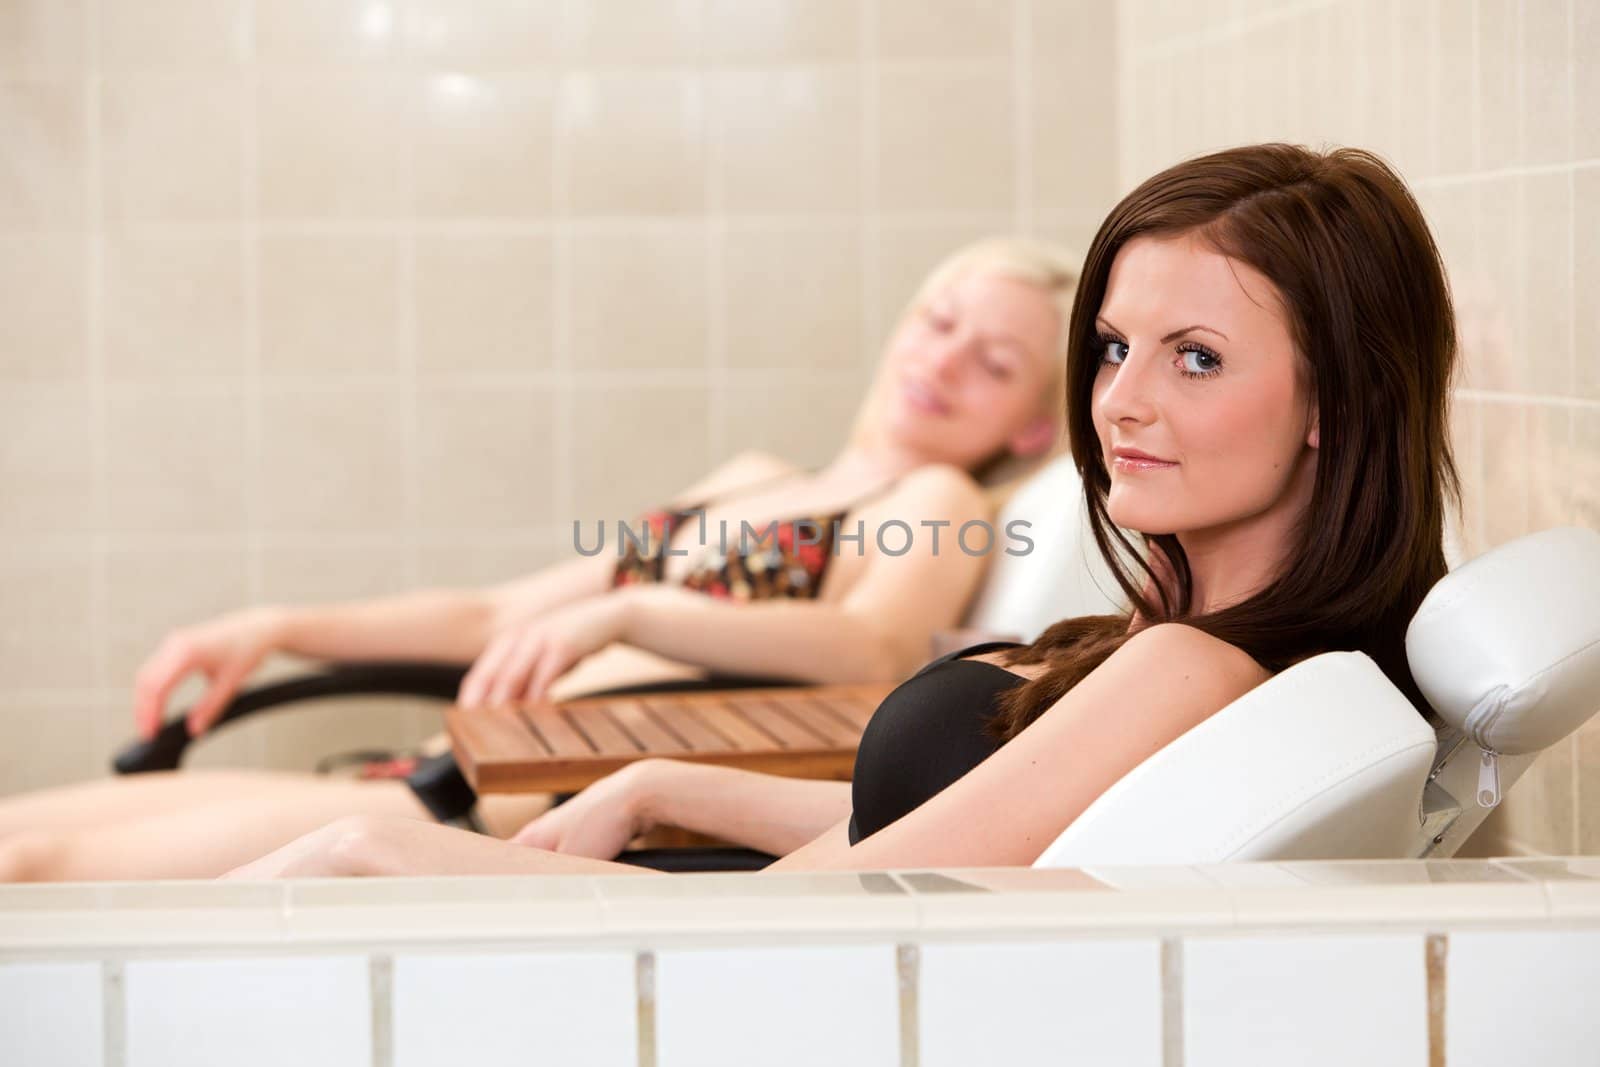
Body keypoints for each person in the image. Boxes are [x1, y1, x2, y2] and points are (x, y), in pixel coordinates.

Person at [221, 141, 1461, 880]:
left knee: (341, 855)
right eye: (1112, 348)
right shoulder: (1199, 634)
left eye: (1195, 357)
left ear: (1332, 399)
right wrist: (664, 784)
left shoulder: (1198, 666)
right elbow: (943, 836)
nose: (1120, 403)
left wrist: (408, 863)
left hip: (766, 960)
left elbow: (856, 905)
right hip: (767, 917)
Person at [0, 238, 1079, 881]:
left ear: (1028, 429)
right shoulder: (757, 477)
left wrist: (630, 613)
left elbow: (872, 641)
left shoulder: (936, 500)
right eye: (937, 321)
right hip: (422, 768)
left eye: (990, 363)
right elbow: (490, 613)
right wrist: (277, 623)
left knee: (32, 874)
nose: (941, 361)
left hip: (467, 817)